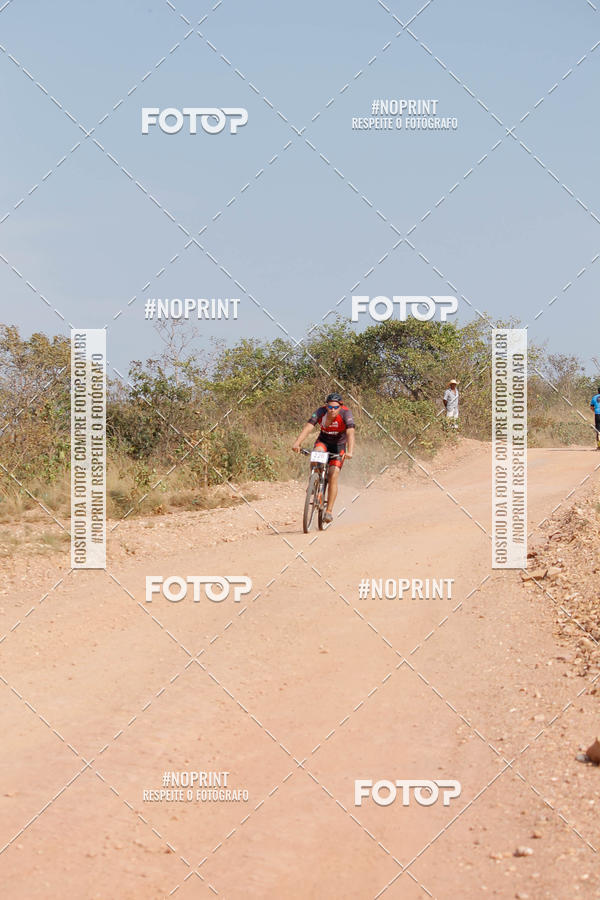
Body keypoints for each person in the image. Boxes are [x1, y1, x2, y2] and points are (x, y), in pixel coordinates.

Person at [292, 392, 355, 522]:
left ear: (340, 406)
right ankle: (313, 480)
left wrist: (350, 451)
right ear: (326, 406)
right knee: (316, 454)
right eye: (330, 407)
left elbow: (350, 432)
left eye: (335, 408)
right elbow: (308, 427)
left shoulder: (346, 413)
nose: (332, 410)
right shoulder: (321, 411)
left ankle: (328, 511)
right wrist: (297, 443)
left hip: (339, 446)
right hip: (324, 442)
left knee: (333, 475)